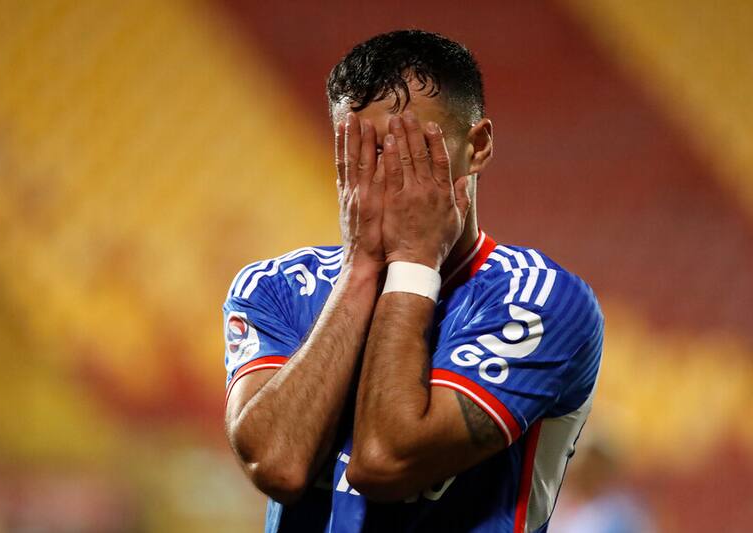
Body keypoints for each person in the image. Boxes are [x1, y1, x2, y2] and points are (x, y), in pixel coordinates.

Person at [223, 30, 604, 532]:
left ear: (478, 146)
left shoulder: (539, 301)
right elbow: (276, 465)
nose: (388, 177)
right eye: (365, 153)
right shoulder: (276, 287)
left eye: (414, 151)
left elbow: (385, 460)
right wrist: (361, 269)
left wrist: (412, 264)